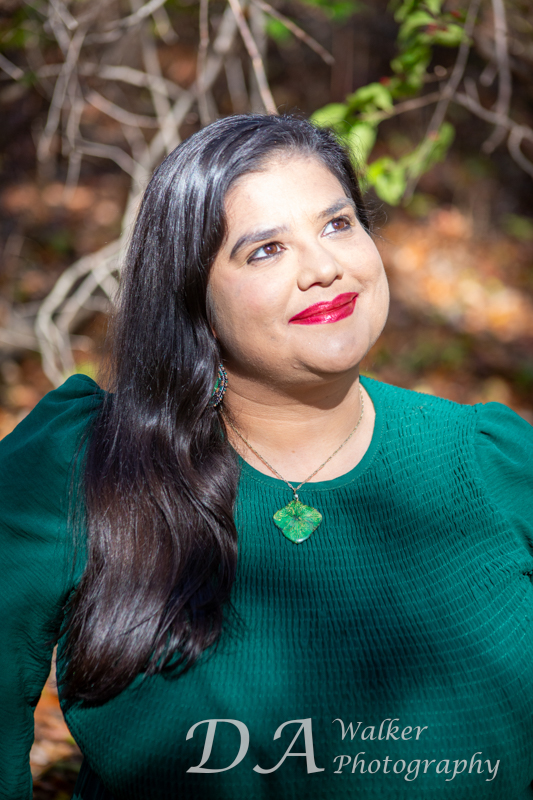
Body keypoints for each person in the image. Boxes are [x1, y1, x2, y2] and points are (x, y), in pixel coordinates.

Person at [1, 113, 532, 800]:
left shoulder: (492, 460)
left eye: (337, 224)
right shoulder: (86, 464)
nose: (323, 268)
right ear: (193, 298)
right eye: (265, 250)